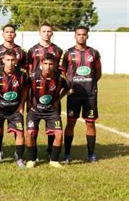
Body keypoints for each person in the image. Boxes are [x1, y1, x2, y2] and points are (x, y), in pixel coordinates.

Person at [60, 26, 102, 163]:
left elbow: (98, 73)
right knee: (70, 123)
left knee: (90, 124)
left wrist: (90, 83)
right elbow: (63, 73)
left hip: (90, 94)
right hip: (73, 94)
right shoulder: (68, 53)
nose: (81, 37)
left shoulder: (94, 53)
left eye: (84, 34)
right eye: (79, 34)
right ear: (75, 36)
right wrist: (70, 85)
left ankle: (91, 153)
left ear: (87, 36)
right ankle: (67, 154)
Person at [0, 50, 29, 169]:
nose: (10, 63)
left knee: (20, 132)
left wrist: (21, 106)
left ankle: (19, 157)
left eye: (12, 60)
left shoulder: (23, 73)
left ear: (16, 60)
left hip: (15, 111)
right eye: (8, 60)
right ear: (3, 60)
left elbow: (26, 88)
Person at [27, 22, 64, 157]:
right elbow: (29, 71)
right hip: (36, 94)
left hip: (52, 93)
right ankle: (33, 152)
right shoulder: (32, 50)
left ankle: (50, 150)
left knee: (53, 125)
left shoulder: (59, 50)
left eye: (49, 31)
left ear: (52, 33)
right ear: (39, 33)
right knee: (33, 126)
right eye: (44, 31)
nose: (46, 34)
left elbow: (61, 73)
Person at [26, 53, 69, 168]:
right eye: (45, 63)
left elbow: (67, 88)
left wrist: (57, 100)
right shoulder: (33, 77)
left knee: (59, 133)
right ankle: (32, 159)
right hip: (34, 110)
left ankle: (54, 160)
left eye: (50, 64)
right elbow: (24, 89)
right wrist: (27, 103)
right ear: (41, 64)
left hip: (51, 111)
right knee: (30, 133)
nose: (48, 66)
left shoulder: (59, 78)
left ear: (54, 65)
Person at [0, 24, 28, 161]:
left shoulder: (21, 51)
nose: (9, 34)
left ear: (15, 34)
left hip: (16, 91)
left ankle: (17, 153)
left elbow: (26, 72)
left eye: (11, 32)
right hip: (0, 91)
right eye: (6, 32)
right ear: (2, 34)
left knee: (17, 121)